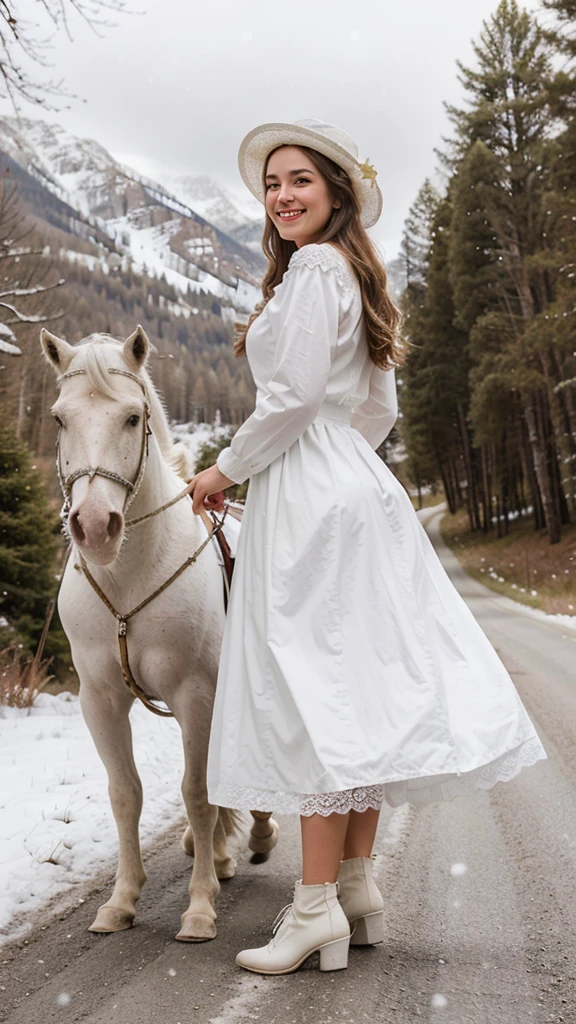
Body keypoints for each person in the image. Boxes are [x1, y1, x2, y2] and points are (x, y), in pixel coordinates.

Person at [187, 119, 546, 976]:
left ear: (336, 193)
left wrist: (226, 469)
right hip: (349, 486)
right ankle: (354, 887)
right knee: (353, 688)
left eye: (299, 180)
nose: (281, 195)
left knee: (318, 696)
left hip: (309, 498)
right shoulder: (350, 272)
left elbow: (297, 392)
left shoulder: (314, 269)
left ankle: (313, 911)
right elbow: (373, 408)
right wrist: (340, 461)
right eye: (272, 183)